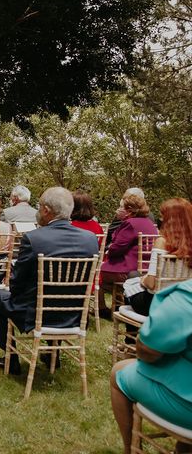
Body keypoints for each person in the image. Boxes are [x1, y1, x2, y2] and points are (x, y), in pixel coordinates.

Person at [0, 187, 99, 375]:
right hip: (75, 315)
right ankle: (51, 354)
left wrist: (14, 289)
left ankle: (10, 358)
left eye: (38, 207)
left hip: (34, 313)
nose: (37, 211)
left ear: (46, 210)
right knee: (56, 297)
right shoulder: (90, 239)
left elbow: (17, 284)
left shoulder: (33, 238)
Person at [110, 279, 192, 454]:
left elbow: (147, 350)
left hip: (187, 406)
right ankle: (183, 447)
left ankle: (129, 450)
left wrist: (145, 336)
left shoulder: (187, 296)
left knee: (118, 372)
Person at [123, 198, 192, 316]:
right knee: (133, 275)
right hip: (184, 302)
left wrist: (143, 280)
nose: (160, 219)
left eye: (163, 216)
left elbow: (151, 284)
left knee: (131, 284)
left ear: (170, 220)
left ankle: (131, 333)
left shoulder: (162, 242)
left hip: (157, 303)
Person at [99, 194, 158, 319]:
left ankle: (102, 308)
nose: (120, 210)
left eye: (123, 208)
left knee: (95, 273)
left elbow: (116, 248)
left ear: (129, 210)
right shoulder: (149, 223)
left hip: (129, 268)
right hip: (146, 269)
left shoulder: (130, 223)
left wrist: (109, 250)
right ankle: (121, 301)